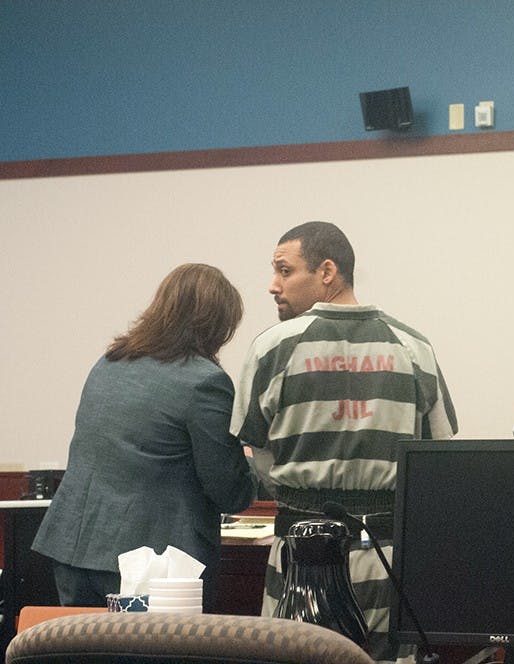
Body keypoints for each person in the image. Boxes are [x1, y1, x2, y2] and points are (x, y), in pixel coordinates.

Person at [231, 221, 458, 664]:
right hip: (387, 559)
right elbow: (438, 457)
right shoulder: (414, 347)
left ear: (327, 272)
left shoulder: (271, 348)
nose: (272, 286)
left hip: (300, 555)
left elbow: (258, 457)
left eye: (284, 270)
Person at [32, 263, 256, 610]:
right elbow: (228, 490)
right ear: (216, 325)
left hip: (73, 547)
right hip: (151, 565)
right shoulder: (205, 382)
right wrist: (253, 469)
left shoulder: (108, 363)